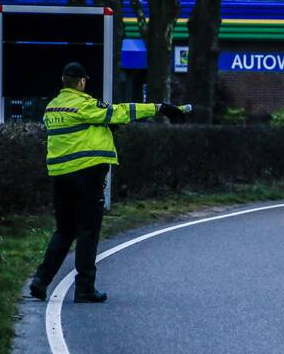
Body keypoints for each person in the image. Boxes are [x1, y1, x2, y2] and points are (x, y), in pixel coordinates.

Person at [29, 62, 186, 303]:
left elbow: (81, 130)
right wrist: (160, 107)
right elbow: (121, 111)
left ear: (63, 80)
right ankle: (85, 289)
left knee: (64, 230)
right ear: (81, 82)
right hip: (86, 175)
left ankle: (40, 281)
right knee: (88, 232)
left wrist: (104, 125)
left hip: (60, 175)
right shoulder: (84, 104)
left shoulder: (52, 107)